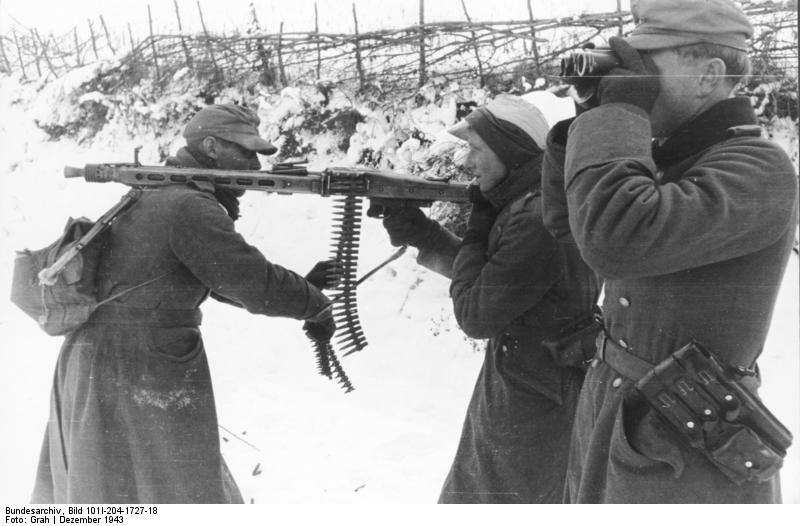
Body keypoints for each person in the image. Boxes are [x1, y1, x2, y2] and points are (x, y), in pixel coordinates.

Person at [553, 0, 798, 503]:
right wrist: (592, 116)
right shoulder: (665, 160)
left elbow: (613, 238)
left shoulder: (760, 170)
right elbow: (568, 228)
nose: (635, 76)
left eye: (646, 64)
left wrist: (619, 113)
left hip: (683, 444)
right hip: (616, 414)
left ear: (709, 75)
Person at [32, 104, 337, 503]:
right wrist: (314, 303)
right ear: (211, 147)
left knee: (111, 487)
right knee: (175, 488)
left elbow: (207, 272)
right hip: (138, 362)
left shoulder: (155, 190)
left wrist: (300, 288)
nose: (255, 164)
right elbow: (250, 280)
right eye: (246, 152)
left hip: (100, 357)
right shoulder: (189, 204)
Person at [382, 94, 600, 503]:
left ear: (509, 152)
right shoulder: (529, 205)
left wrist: (479, 222)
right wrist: (424, 234)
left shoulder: (536, 220)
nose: (467, 162)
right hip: (530, 378)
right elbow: (497, 285)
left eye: (477, 149)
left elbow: (475, 314)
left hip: (537, 396)